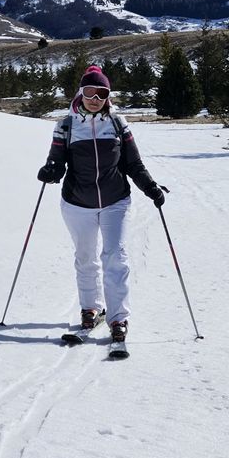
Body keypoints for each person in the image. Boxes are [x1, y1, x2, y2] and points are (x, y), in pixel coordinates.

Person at [37, 64, 166, 349]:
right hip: (77, 203)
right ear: (80, 92)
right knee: (85, 257)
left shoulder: (118, 124)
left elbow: (133, 163)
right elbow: (57, 163)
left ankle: (118, 319)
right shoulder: (66, 125)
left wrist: (151, 188)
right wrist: (49, 172)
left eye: (102, 93)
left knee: (115, 257)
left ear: (108, 96)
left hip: (115, 201)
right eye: (90, 92)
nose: (95, 98)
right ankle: (91, 309)